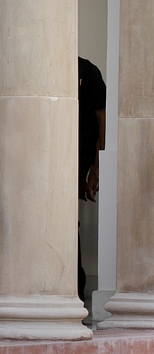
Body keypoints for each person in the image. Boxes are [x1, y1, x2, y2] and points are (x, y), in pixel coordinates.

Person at [77, 56, 106, 301]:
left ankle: (74, 284)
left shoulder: (86, 70)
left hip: (78, 154)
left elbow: (102, 117)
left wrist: (98, 165)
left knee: (67, 220)